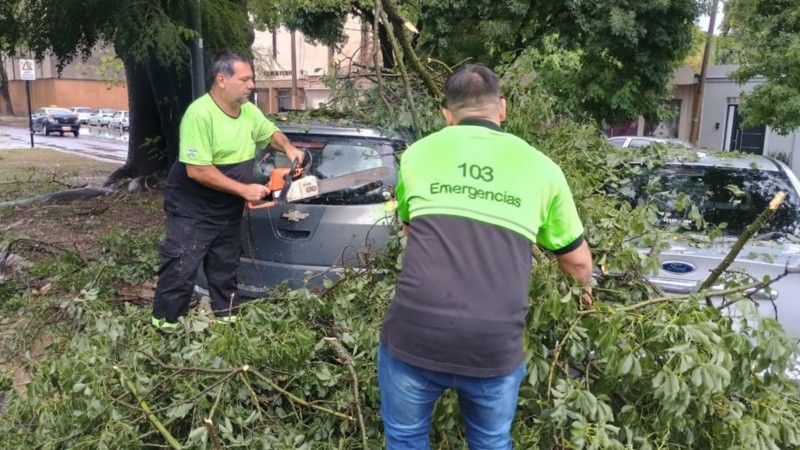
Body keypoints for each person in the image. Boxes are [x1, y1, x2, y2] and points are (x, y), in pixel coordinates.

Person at [378, 64, 594, 449]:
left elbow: (410, 226)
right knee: (491, 442)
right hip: (492, 343)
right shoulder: (544, 170)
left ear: (447, 116)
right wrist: (585, 293)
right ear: (502, 109)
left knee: (406, 440)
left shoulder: (416, 155)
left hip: (415, 335)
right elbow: (576, 261)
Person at [151, 51, 304, 333]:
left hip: (228, 207)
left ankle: (227, 333)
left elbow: (270, 133)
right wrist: (244, 189)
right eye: (244, 79)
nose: (251, 85)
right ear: (222, 80)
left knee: (225, 270)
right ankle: (165, 331)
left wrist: (289, 148)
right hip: (192, 207)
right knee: (181, 269)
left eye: (252, 79)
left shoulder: (248, 111)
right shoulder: (200, 114)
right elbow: (197, 170)